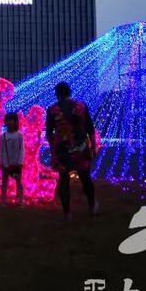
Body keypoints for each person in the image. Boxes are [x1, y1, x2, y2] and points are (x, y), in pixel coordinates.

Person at [46, 81, 99, 221]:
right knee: (85, 177)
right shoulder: (81, 106)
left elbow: (49, 133)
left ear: (57, 94)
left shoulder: (52, 109)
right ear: (70, 92)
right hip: (81, 147)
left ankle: (67, 213)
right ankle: (92, 206)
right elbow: (90, 128)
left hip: (62, 148)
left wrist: (53, 151)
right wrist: (93, 146)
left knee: (63, 179)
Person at [0, 112, 25, 207]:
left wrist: (20, 162)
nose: (9, 122)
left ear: (15, 122)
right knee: (4, 182)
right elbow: (1, 150)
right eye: (7, 120)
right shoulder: (3, 136)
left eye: (11, 120)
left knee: (19, 182)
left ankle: (20, 201)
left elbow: (22, 149)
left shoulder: (19, 135)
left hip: (17, 164)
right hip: (6, 163)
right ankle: (3, 201)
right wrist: (1, 162)